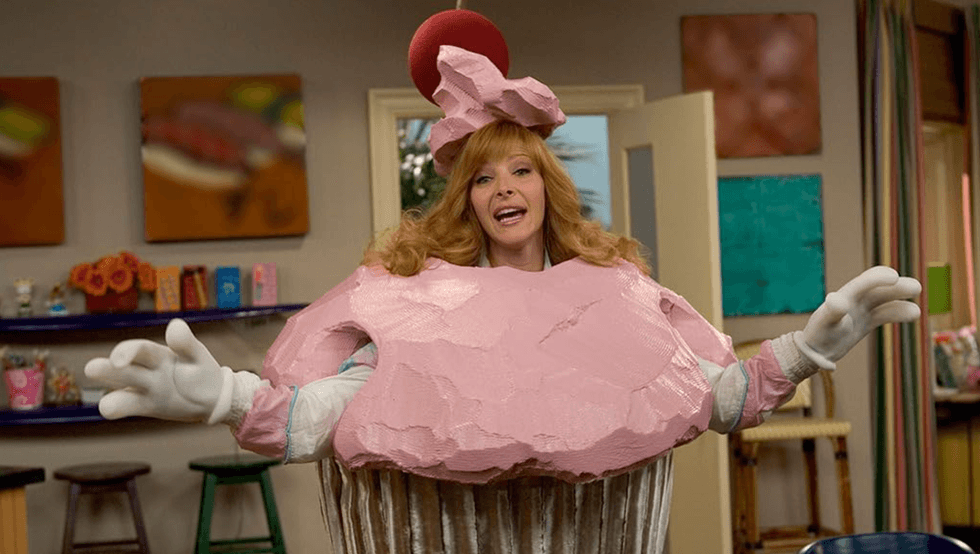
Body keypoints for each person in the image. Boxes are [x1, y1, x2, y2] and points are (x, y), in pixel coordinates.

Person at [85, 13, 921, 553]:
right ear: (467, 197)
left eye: (521, 170)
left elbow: (722, 396)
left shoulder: (610, 292)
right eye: (484, 179)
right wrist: (225, 398)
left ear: (545, 185)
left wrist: (809, 348)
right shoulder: (413, 296)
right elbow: (321, 413)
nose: (505, 190)